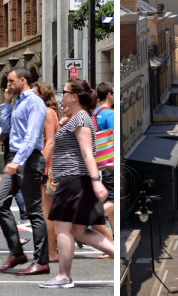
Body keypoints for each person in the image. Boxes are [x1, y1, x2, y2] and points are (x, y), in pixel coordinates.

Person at [39, 79, 114, 289]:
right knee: (80, 231)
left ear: (74, 97)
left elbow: (88, 152)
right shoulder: (78, 118)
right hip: (76, 180)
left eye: (64, 92)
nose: (60, 94)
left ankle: (63, 276)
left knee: (62, 227)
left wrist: (96, 181)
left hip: (74, 180)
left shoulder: (81, 119)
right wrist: (64, 124)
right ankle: (121, 256)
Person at [0, 66, 49, 275]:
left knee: (34, 211)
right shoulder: (18, 102)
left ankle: (41, 261)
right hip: (15, 157)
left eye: (10, 81)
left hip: (28, 159)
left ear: (22, 80)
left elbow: (32, 136)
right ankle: (16, 252)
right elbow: (6, 130)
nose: (7, 84)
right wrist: (6, 103)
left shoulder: (35, 102)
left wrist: (17, 161)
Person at [33, 82, 61, 263]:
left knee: (46, 211)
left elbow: (50, 142)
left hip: (48, 166)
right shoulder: (44, 113)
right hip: (47, 164)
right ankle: (54, 248)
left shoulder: (48, 113)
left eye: (34, 93)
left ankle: (52, 252)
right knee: (48, 210)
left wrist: (42, 165)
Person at [92, 82, 116, 259]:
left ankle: (112, 247)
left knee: (113, 210)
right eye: (114, 93)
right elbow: (115, 135)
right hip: (110, 163)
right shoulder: (109, 114)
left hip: (98, 165)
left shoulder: (93, 114)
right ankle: (94, 217)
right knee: (113, 201)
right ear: (108, 95)